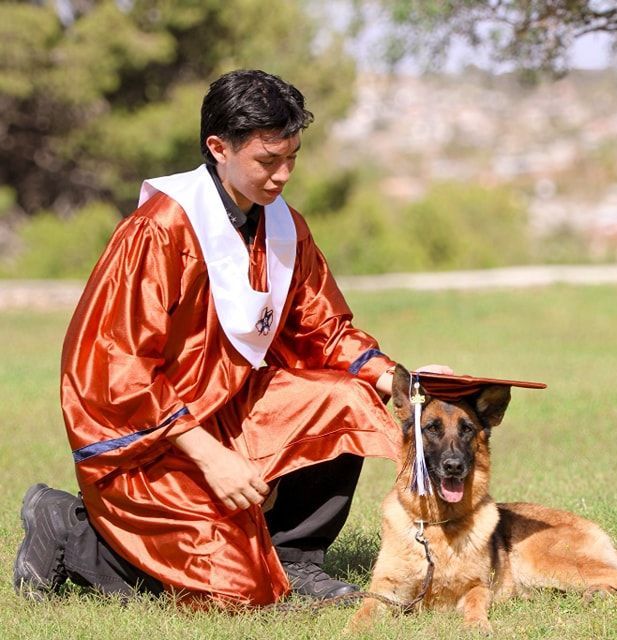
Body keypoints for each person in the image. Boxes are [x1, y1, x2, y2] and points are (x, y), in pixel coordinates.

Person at [12, 69, 447, 607]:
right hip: (152, 437)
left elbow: (323, 330)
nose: (283, 174)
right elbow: (116, 367)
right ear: (218, 147)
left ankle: (294, 556)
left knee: (347, 399)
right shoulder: (160, 230)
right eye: (268, 161)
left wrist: (397, 378)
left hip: (236, 411)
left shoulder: (284, 227)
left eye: (292, 158)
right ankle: (70, 529)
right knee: (237, 588)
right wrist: (209, 455)